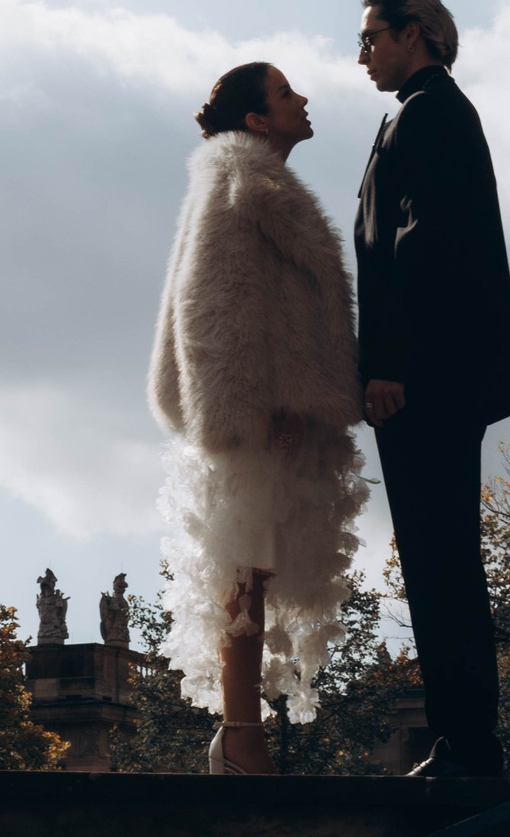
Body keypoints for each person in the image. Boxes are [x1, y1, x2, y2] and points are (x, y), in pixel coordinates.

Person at [150, 60, 366, 776]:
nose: (302, 100)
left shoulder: (248, 178)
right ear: (256, 118)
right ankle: (240, 735)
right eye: (284, 93)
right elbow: (214, 301)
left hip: (272, 410)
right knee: (245, 564)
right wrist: (249, 410)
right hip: (256, 415)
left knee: (255, 567)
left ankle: (242, 733)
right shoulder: (241, 179)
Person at [353, 0, 510, 778]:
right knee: (436, 558)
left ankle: (468, 743)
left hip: (425, 377)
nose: (361, 52)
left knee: (442, 558)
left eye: (371, 37)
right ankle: (463, 739)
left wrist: (389, 363)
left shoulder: (431, 112)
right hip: (438, 374)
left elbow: (418, 250)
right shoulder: (418, 110)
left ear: (413, 33)